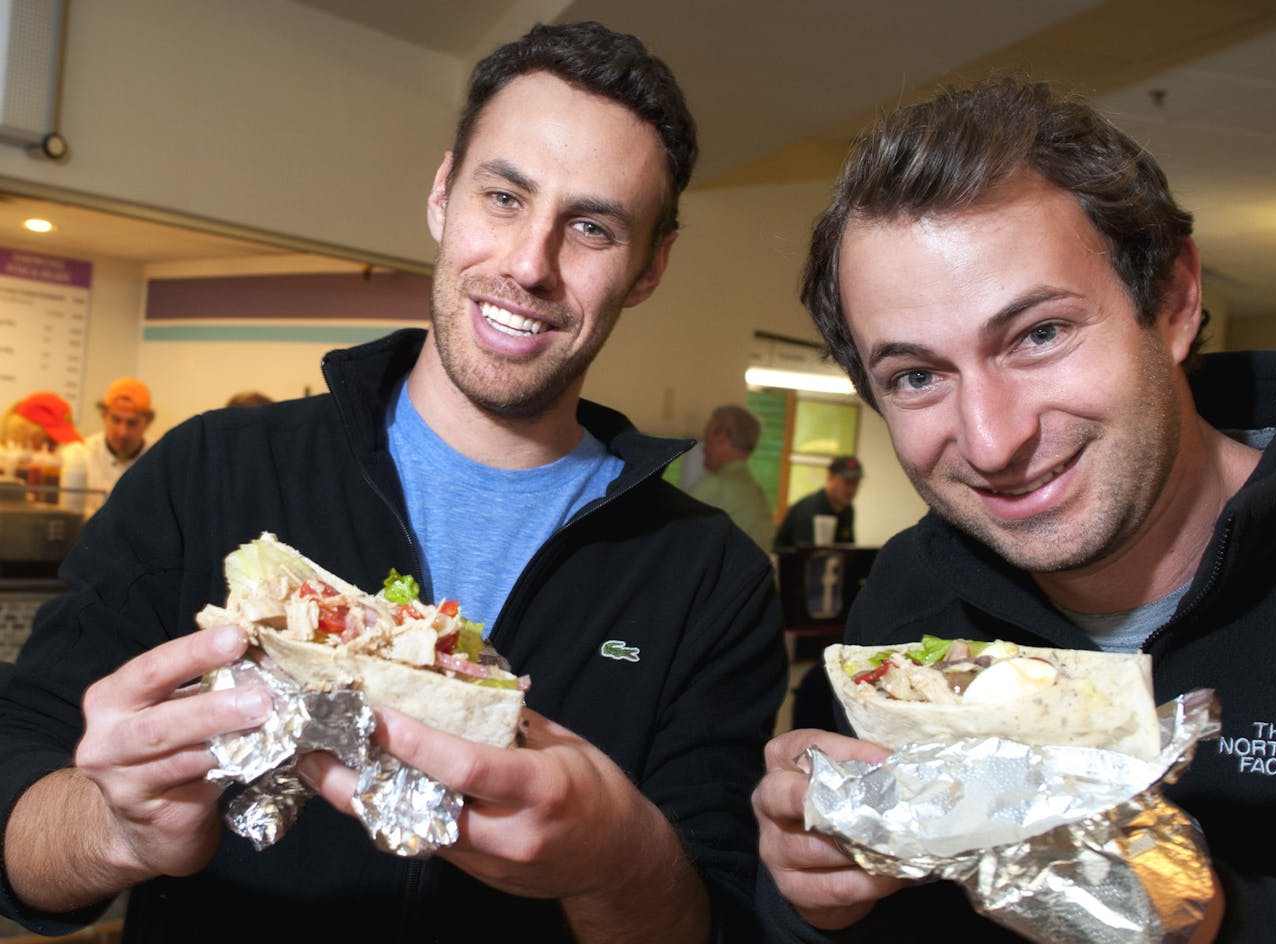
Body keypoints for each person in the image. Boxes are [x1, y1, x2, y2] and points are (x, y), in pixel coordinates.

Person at [0, 22, 785, 943]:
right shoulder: (208, 470)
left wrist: (619, 861)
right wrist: (117, 830)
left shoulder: (706, 577)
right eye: (503, 196)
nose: (529, 265)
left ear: (649, 267)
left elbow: (717, 918)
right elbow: (20, 800)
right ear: (445, 193)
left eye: (591, 227)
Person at [753, 76, 1276, 942]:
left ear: (1175, 300)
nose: (992, 442)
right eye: (917, 377)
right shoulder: (907, 598)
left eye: (1039, 334)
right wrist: (812, 905)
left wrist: (1220, 923)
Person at [688, 404, 774, 550]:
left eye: (706, 438)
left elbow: (674, 540)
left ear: (722, 436)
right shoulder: (758, 495)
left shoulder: (714, 487)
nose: (703, 448)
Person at [84, 377, 155, 515]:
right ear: (104, 416)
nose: (123, 432)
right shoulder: (83, 455)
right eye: (116, 420)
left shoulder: (159, 458)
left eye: (132, 423)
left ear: (147, 422)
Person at [772, 455, 862, 547]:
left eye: (856, 483)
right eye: (847, 482)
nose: (851, 489)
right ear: (830, 477)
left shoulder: (848, 510)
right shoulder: (808, 509)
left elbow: (849, 548)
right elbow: (807, 555)